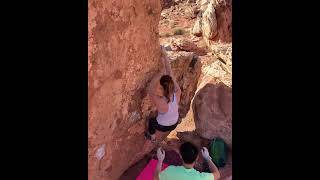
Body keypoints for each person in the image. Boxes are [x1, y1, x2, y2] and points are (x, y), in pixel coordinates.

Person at [144, 49, 181, 142]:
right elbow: (170, 74)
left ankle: (152, 137)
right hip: (175, 123)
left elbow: (149, 89)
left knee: (151, 121)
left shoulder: (160, 101)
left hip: (163, 126)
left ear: (162, 88)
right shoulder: (178, 92)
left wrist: (160, 73)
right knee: (160, 112)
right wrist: (164, 55)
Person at [154, 142, 221, 180]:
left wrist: (160, 160)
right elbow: (217, 175)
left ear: (180, 156)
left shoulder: (170, 170)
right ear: (197, 158)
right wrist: (207, 158)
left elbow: (156, 178)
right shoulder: (200, 178)